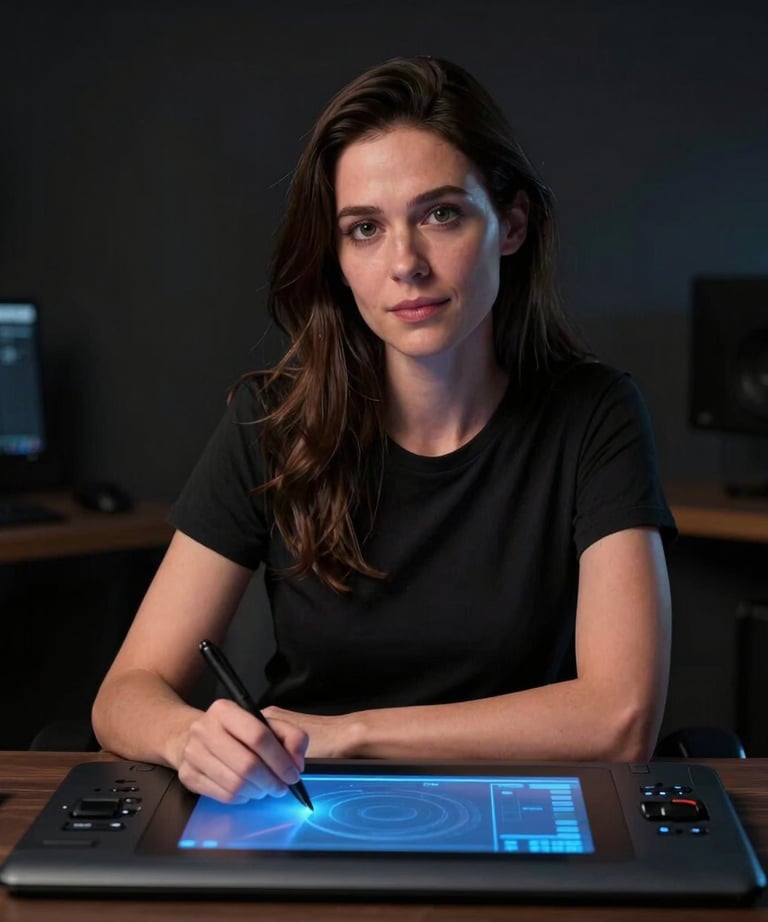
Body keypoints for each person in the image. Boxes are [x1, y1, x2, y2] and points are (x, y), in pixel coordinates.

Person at [92, 56, 676, 805]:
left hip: (523, 809)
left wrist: (351, 733)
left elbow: (622, 720)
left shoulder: (595, 416)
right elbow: (124, 695)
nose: (405, 264)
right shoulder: (271, 424)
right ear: (337, 259)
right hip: (305, 810)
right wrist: (185, 737)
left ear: (511, 225)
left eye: (441, 214)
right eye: (364, 229)